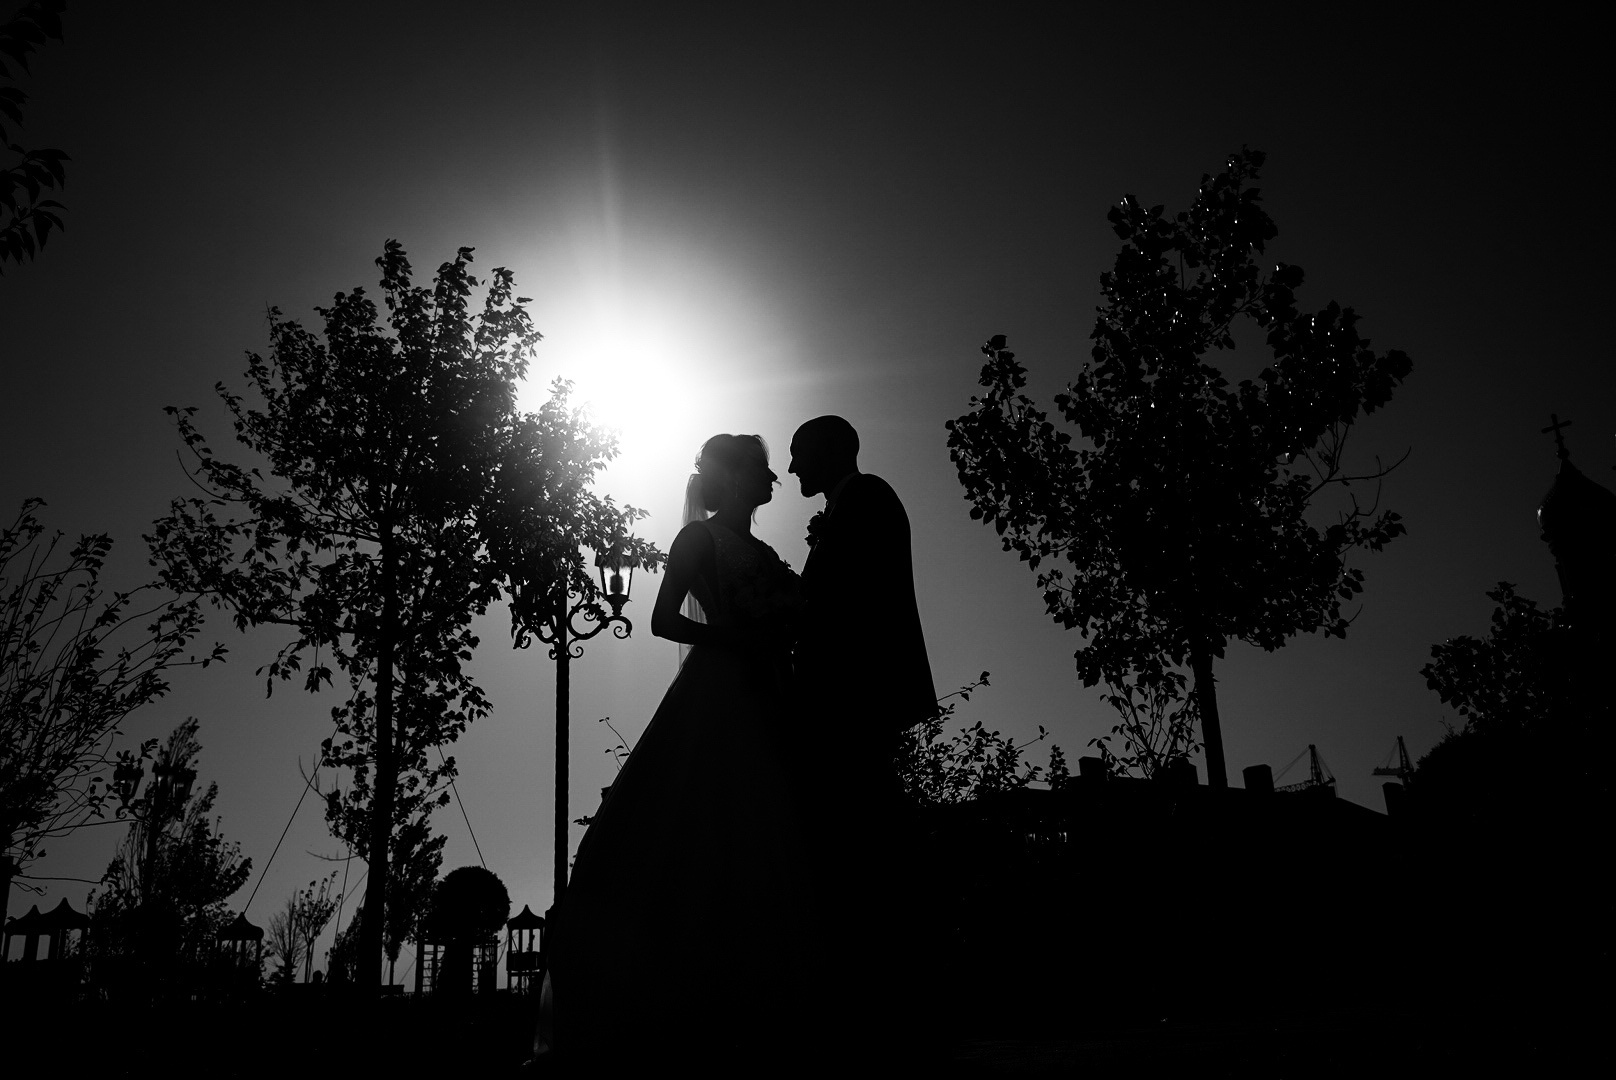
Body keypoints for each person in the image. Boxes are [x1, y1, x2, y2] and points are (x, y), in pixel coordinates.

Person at [543, 434, 814, 1070]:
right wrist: (735, 640)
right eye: (763, 469)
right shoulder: (699, 539)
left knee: (766, 831)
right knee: (705, 825)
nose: (774, 479)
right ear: (736, 476)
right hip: (723, 692)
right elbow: (663, 620)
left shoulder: (764, 551)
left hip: (772, 690)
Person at [787, 414, 940, 1048]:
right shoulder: (846, 507)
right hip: (845, 693)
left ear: (832, 450)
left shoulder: (869, 497)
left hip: (856, 690)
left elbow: (848, 600)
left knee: (866, 829)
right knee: (858, 826)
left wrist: (788, 605)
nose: (792, 468)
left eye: (799, 453)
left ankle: (889, 990)